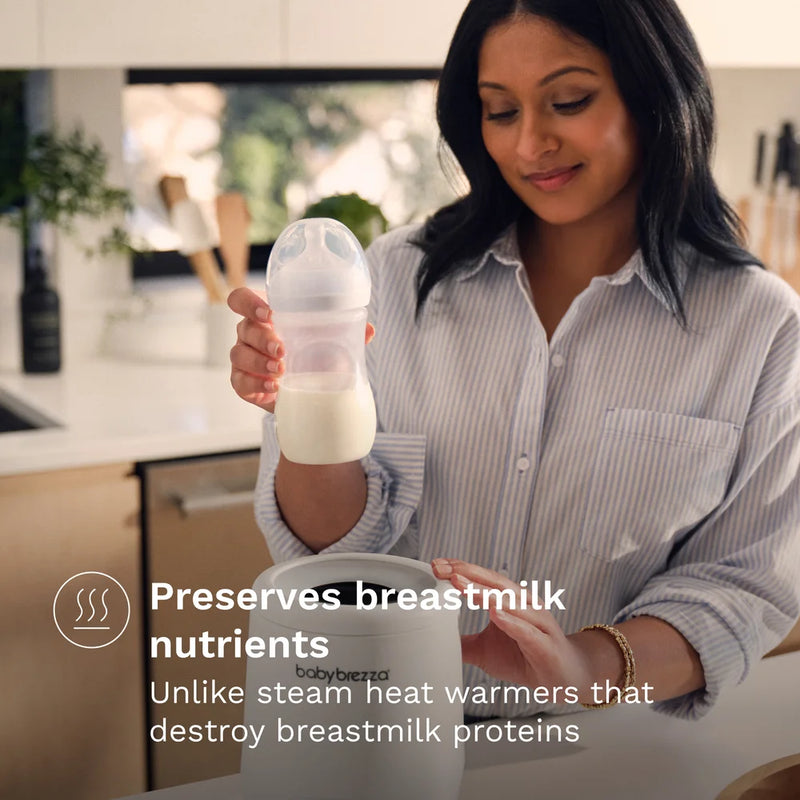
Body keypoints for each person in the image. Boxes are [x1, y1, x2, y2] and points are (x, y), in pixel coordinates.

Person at [228, 0, 800, 721]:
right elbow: (325, 551)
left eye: (570, 101)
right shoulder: (393, 279)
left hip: (594, 750)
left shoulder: (761, 328)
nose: (531, 144)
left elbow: (741, 585)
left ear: (656, 96)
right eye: (500, 111)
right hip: (378, 726)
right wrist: (304, 411)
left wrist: (583, 665)